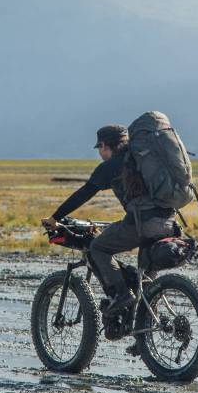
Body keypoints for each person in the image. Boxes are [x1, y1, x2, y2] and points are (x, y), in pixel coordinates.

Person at [42, 124, 175, 318]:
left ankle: (121, 295)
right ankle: (144, 331)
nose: (100, 153)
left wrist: (55, 217)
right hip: (168, 223)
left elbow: (84, 193)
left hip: (142, 224)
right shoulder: (141, 160)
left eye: (99, 148)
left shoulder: (112, 165)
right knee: (144, 286)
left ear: (104, 145)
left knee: (97, 247)